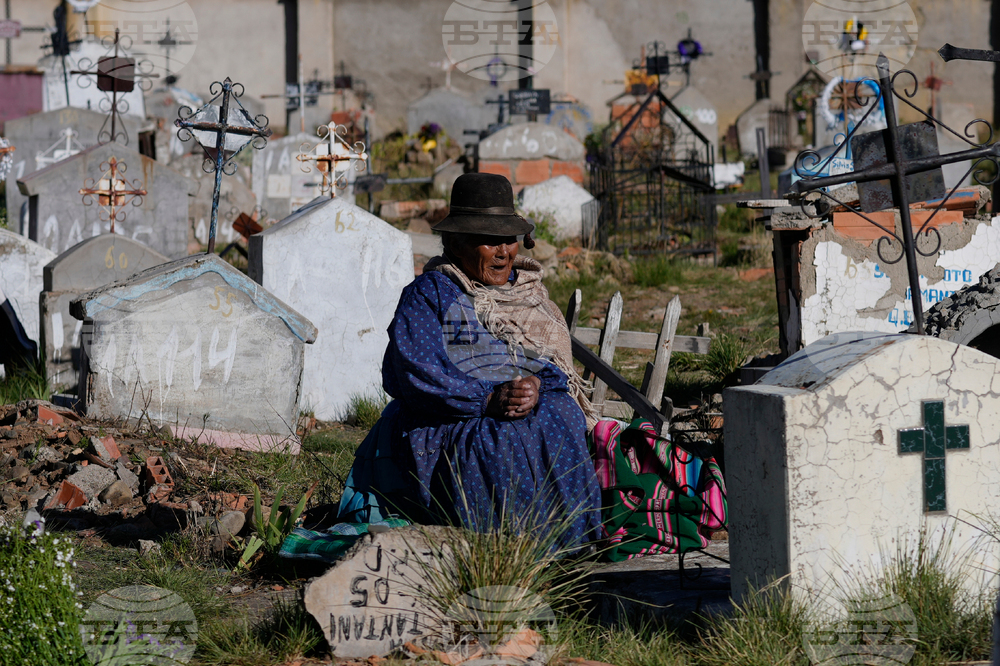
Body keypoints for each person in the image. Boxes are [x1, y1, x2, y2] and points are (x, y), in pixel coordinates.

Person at [338, 173, 601, 548]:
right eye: (488, 241)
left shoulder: (528, 296)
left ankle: (575, 542)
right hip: (447, 416)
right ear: (457, 244)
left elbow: (554, 368)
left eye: (507, 240)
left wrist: (537, 386)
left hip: (516, 406)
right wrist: (488, 400)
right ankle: (503, 552)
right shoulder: (430, 295)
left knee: (560, 414)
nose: (503, 252)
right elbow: (416, 372)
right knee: (499, 440)